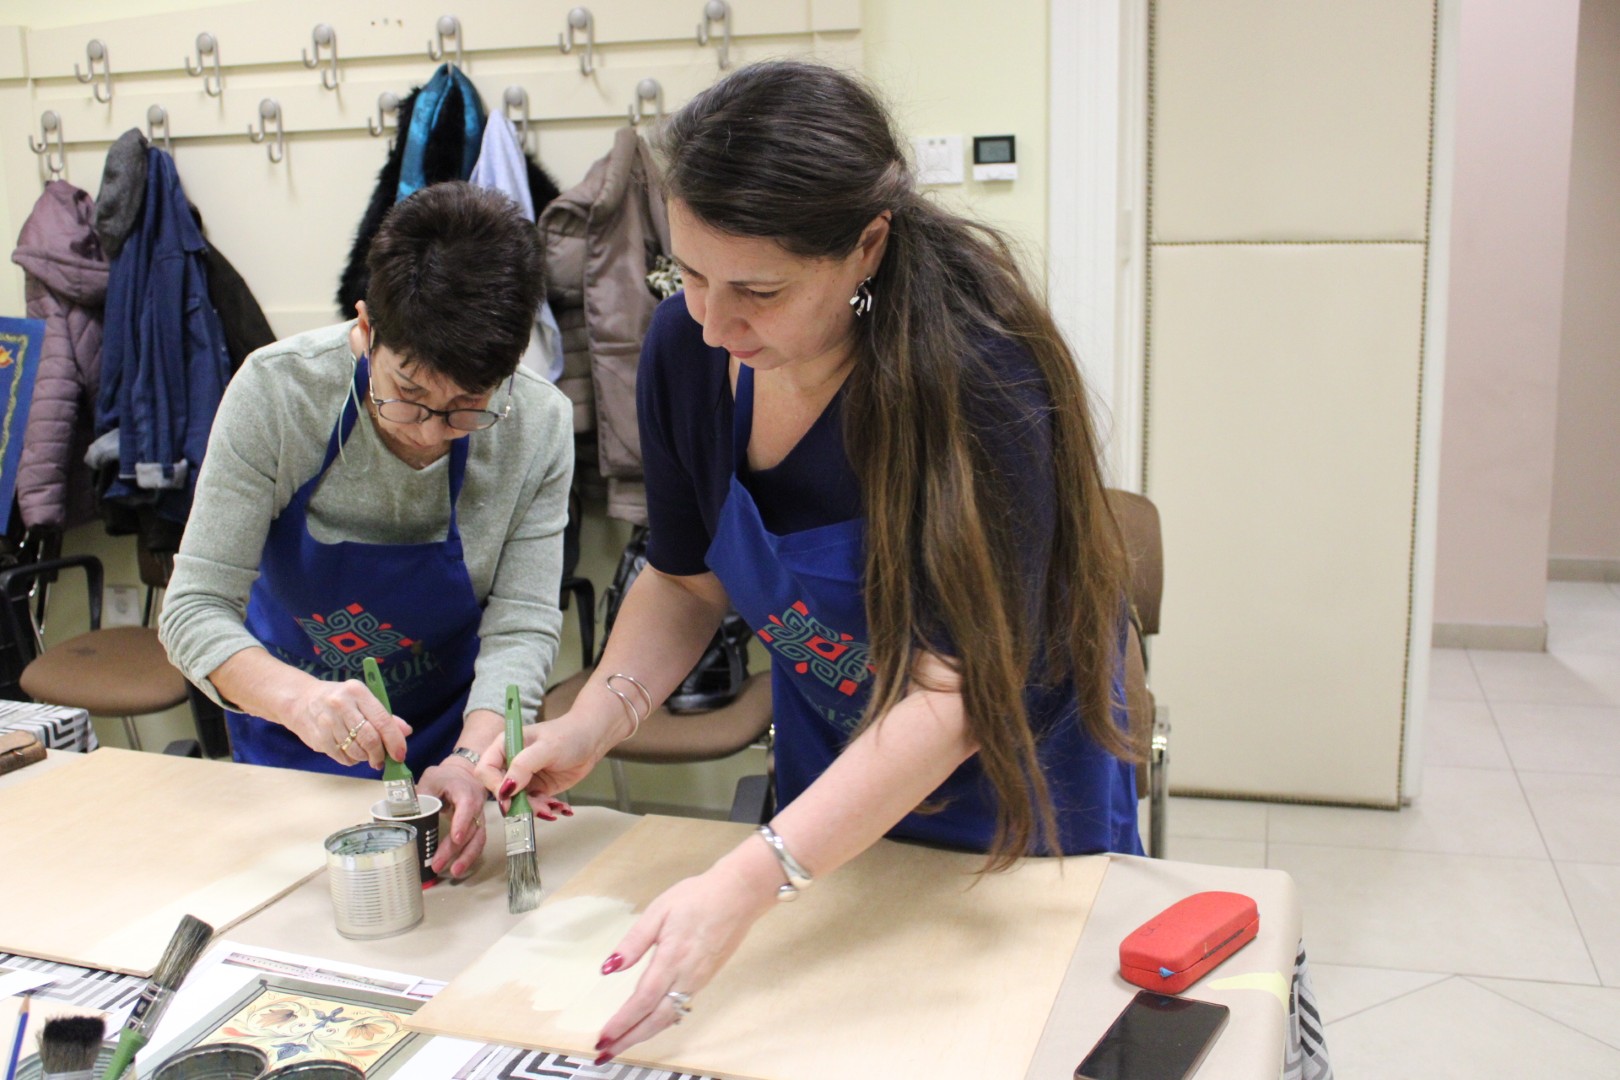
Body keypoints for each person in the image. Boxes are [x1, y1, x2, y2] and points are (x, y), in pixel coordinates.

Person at [481, 60, 1142, 1063]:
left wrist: (752, 877)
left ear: (866, 247)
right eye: (688, 275)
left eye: (759, 290)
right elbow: (686, 579)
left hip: (1021, 808)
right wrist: (599, 715)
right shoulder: (688, 350)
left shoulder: (982, 379)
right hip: (832, 802)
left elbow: (953, 699)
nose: (713, 323)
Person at [160, 181, 575, 880]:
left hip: (448, 748)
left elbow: (522, 625)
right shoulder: (278, 394)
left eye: (466, 407)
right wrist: (301, 699)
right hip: (288, 751)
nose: (431, 434)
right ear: (365, 328)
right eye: (407, 395)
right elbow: (193, 609)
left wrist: (472, 760)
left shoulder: (537, 424)